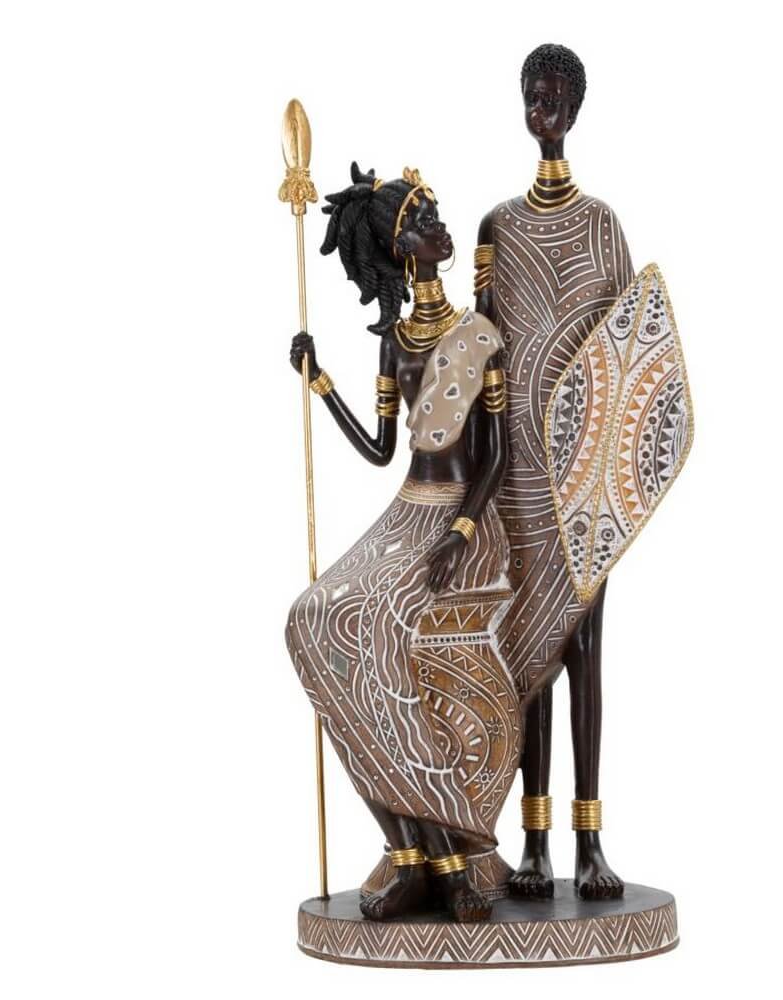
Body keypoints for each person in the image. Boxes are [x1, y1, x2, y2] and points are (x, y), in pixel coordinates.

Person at [475, 43, 693, 900]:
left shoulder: (603, 226)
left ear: (577, 107)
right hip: (516, 476)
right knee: (528, 657)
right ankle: (533, 844)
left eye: (559, 95)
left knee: (587, 654)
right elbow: (480, 343)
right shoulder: (495, 228)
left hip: (585, 482)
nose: (547, 108)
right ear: (522, 103)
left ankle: (590, 838)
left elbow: (629, 350)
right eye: (535, 94)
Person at [286, 163, 520, 923]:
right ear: (400, 249)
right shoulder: (396, 343)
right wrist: (320, 383)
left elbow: (495, 458)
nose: (438, 227)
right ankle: (412, 850)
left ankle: (450, 851)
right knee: (312, 619)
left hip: (463, 521)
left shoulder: (478, 335)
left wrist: (459, 534)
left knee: (379, 623)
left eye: (434, 212)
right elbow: (382, 450)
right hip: (406, 514)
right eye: (421, 220)